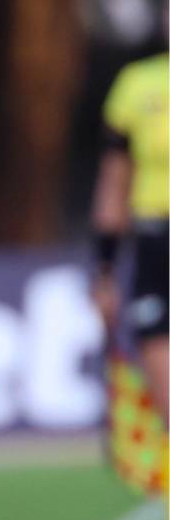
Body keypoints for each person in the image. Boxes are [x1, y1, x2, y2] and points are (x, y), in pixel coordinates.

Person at [92, 50, 168, 432]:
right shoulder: (137, 84)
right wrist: (105, 269)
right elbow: (114, 180)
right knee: (156, 344)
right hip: (156, 237)